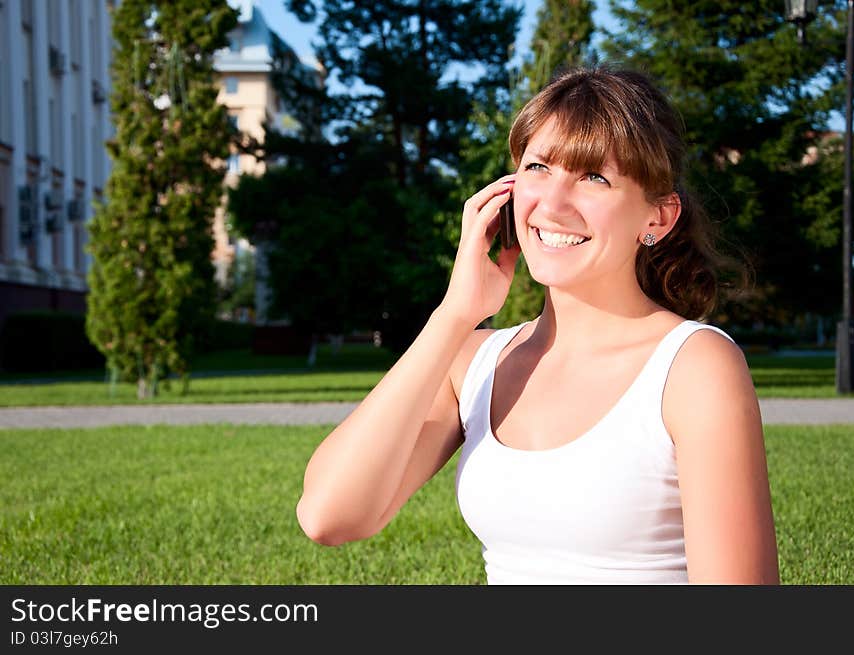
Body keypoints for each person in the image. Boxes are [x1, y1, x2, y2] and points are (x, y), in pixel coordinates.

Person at [296, 66, 780, 585]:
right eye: (538, 167)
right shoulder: (474, 361)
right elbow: (330, 516)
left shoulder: (693, 366)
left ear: (657, 219)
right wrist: (455, 314)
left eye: (594, 176)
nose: (552, 203)